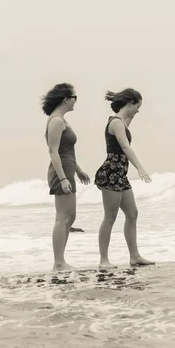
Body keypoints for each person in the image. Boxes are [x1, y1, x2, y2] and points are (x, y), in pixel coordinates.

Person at [94, 88, 155, 268]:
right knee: (110, 216)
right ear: (130, 103)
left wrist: (129, 110)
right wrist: (140, 167)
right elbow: (125, 147)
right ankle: (103, 260)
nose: (138, 110)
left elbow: (129, 119)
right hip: (111, 172)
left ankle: (134, 256)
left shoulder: (121, 121)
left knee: (132, 213)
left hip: (120, 173)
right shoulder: (116, 123)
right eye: (137, 106)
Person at [42, 83, 91, 271]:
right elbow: (53, 151)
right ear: (65, 99)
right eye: (74, 97)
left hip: (68, 169)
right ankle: (58, 262)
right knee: (62, 217)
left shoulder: (62, 120)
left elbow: (67, 150)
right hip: (60, 171)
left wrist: (78, 169)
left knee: (71, 216)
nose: (75, 101)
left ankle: (61, 260)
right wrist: (62, 178)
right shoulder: (55, 120)